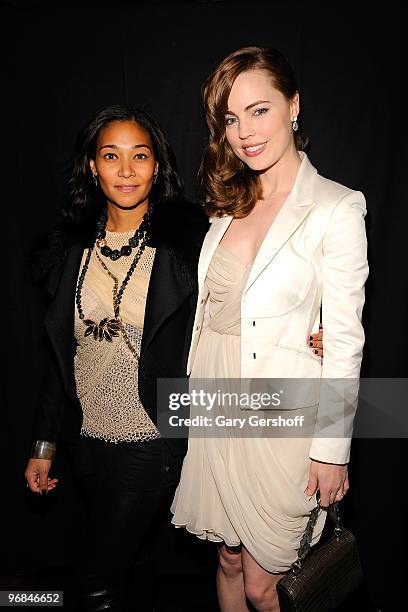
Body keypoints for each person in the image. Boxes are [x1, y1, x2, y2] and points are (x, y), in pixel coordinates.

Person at [170, 46, 369, 612]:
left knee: (267, 584)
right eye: (231, 119)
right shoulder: (229, 203)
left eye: (259, 110)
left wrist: (332, 449)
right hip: (216, 397)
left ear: (294, 106)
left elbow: (347, 339)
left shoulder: (336, 207)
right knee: (228, 560)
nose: (245, 132)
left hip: (280, 411)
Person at [24, 105, 209, 611]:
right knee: (134, 562)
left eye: (140, 156)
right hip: (88, 441)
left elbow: (243, 311)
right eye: (111, 156)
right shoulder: (69, 252)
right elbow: (60, 357)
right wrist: (44, 442)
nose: (126, 171)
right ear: (92, 166)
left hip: (152, 437)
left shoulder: (188, 246)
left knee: (96, 580)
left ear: (157, 165)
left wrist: (310, 332)